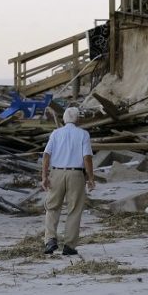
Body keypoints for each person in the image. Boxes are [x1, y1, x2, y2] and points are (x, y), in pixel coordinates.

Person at [41, 106, 95, 255]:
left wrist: (44, 176)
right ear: (77, 119)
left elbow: (46, 155)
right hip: (76, 174)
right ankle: (69, 246)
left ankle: (50, 240)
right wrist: (91, 178)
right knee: (74, 210)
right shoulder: (83, 134)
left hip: (56, 172)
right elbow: (87, 158)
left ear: (64, 119)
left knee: (52, 207)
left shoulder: (56, 133)